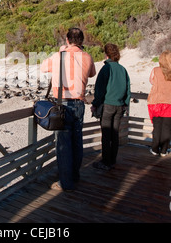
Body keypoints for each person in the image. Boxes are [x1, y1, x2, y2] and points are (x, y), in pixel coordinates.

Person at [41, 28, 96, 191]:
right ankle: (74, 175)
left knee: (63, 144)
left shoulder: (59, 56)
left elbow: (44, 67)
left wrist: (62, 52)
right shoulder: (87, 57)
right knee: (77, 141)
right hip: (79, 103)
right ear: (82, 41)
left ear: (67, 40)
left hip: (63, 104)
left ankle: (66, 182)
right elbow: (92, 73)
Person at [91, 43, 131, 171]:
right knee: (115, 134)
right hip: (120, 106)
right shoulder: (123, 69)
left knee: (106, 135)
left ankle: (105, 162)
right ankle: (112, 160)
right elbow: (128, 89)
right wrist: (125, 103)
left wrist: (95, 104)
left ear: (106, 54)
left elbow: (99, 90)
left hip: (108, 105)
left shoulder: (106, 68)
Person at [147, 51, 171, 157]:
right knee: (167, 127)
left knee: (157, 126)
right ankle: (164, 150)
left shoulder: (155, 70)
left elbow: (151, 81)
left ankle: (155, 149)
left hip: (157, 102)